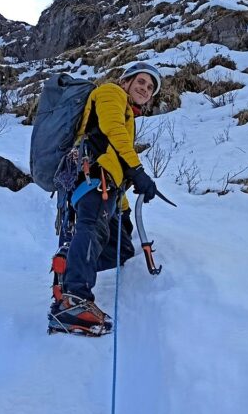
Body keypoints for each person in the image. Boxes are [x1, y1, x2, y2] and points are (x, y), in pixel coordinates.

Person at [48, 61, 162, 336]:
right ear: (126, 81)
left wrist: (122, 211)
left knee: (120, 247)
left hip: (104, 183)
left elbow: (115, 156)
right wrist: (137, 170)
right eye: (141, 82)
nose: (145, 89)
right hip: (95, 178)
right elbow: (113, 130)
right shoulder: (111, 93)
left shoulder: (126, 110)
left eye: (151, 88)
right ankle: (74, 301)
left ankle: (70, 263)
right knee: (93, 229)